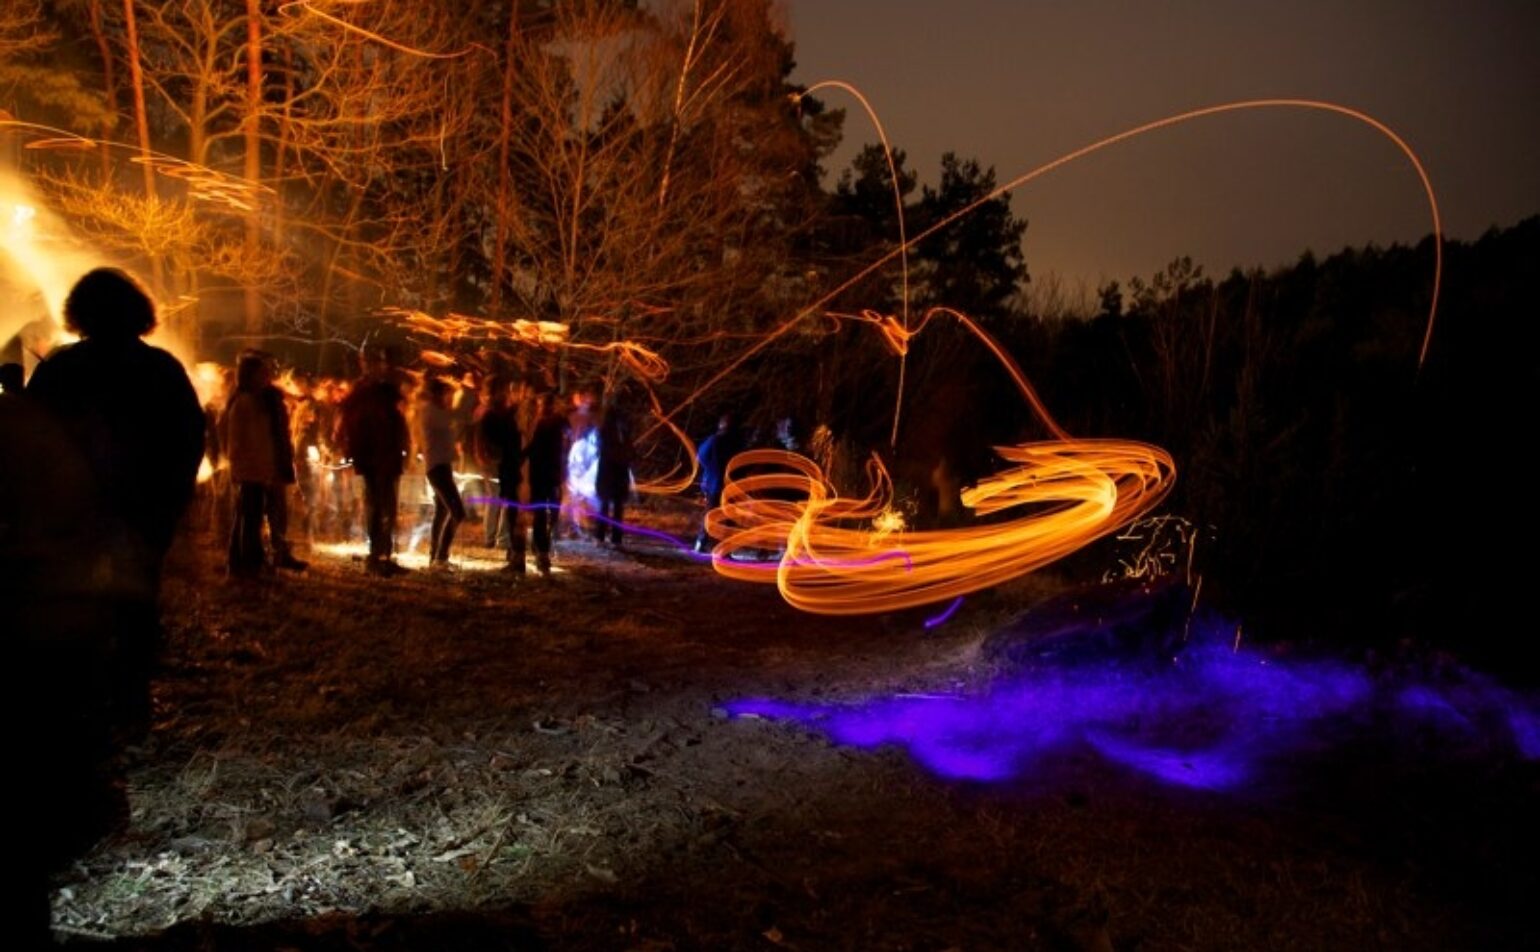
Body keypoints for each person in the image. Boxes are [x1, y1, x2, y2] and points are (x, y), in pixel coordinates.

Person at [17, 267, 203, 944]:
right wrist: (165, 506)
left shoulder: (63, 372)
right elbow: (188, 440)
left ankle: (96, 706)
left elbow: (34, 446)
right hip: (136, 517)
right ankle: (128, 701)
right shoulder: (159, 370)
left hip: (81, 522)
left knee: (84, 616)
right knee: (133, 605)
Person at [337, 347, 410, 575]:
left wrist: (402, 447)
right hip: (372, 457)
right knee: (377, 506)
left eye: (381, 362)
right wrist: (353, 451)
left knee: (388, 506)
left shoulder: (386, 390)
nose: (380, 366)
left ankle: (385, 555)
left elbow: (397, 421)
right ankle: (376, 556)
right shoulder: (361, 393)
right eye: (374, 362)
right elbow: (352, 424)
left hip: (388, 455)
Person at [417, 376, 466, 570]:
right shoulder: (431, 412)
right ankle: (441, 557)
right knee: (457, 512)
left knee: (442, 511)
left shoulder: (435, 411)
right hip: (437, 467)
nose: (448, 398)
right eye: (446, 394)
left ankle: (435, 555)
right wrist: (467, 395)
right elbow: (454, 417)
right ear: (436, 394)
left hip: (441, 466)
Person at [524, 390, 567, 576]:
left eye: (543, 405)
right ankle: (542, 551)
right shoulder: (555, 423)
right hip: (548, 475)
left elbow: (534, 448)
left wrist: (519, 457)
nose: (542, 408)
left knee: (542, 514)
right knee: (545, 514)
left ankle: (541, 551)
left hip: (544, 475)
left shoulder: (547, 424)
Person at [693, 411, 742, 553]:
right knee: (720, 515)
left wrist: (709, 470)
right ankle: (713, 545)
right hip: (720, 484)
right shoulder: (722, 441)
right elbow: (701, 456)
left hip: (719, 483)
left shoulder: (720, 441)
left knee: (716, 515)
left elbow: (700, 456)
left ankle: (708, 544)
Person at [594, 398, 634, 546]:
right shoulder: (615, 431)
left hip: (612, 474)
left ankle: (606, 537)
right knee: (612, 507)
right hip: (613, 474)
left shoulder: (610, 431)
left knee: (611, 507)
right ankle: (608, 537)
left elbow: (627, 452)